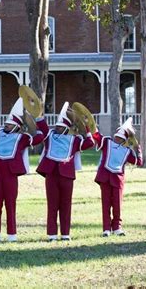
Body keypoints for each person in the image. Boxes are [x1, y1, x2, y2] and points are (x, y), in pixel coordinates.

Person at [0, 98, 47, 242]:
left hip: (11, 173)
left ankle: (12, 234)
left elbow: (40, 136)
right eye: (6, 124)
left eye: (9, 125)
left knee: (10, 203)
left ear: (16, 127)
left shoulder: (22, 137)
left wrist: (34, 120)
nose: (5, 126)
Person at [37, 102, 94, 242]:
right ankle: (51, 234)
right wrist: (38, 114)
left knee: (66, 205)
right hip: (51, 174)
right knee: (52, 205)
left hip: (67, 176)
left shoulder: (74, 140)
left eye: (60, 127)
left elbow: (90, 143)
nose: (56, 129)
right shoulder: (50, 136)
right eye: (56, 126)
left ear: (66, 128)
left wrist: (86, 127)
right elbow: (42, 125)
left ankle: (65, 234)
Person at [92, 117, 143, 237]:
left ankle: (117, 228)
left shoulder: (127, 151)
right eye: (116, 136)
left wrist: (137, 148)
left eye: (119, 138)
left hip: (118, 180)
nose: (116, 138)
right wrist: (90, 124)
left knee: (117, 204)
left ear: (124, 140)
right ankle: (106, 228)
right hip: (105, 178)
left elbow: (138, 162)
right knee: (105, 204)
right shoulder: (107, 142)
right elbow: (96, 136)